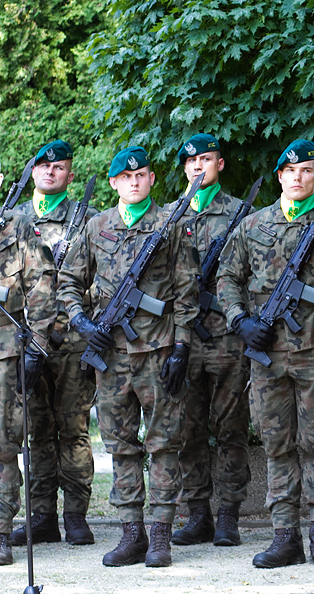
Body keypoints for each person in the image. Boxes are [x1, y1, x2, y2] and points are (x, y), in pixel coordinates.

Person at [216, 140, 314, 569]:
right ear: (280, 176)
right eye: (291, 171)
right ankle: (285, 536)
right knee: (277, 445)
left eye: (308, 171)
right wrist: (239, 320)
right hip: (267, 358)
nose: (299, 177)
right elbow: (226, 276)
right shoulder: (252, 226)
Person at [58, 146, 199, 567]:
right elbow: (68, 280)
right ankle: (131, 534)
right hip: (111, 357)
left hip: (158, 354)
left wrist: (181, 346)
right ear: (114, 182)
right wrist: (82, 324)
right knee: (121, 446)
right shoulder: (96, 226)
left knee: (163, 445)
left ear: (152, 180)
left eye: (142, 176)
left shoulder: (171, 226)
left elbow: (188, 293)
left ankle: (160, 536)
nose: (135, 182)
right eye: (126, 177)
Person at [10, 140, 97, 548]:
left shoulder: (87, 220)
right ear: (32, 173)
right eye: (43, 166)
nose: (50, 173)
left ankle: (76, 516)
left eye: (59, 167)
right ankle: (42, 516)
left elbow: (98, 279)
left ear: (70, 175)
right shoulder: (13, 220)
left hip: (72, 342)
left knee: (74, 429)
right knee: (36, 432)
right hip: (25, 342)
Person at [167, 133, 252, 548]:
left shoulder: (241, 215)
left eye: (207, 159)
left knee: (231, 429)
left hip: (227, 339)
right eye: (192, 161)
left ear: (220, 163)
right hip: (180, 340)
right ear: (184, 168)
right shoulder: (168, 216)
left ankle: (228, 516)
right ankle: (197, 513)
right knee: (186, 430)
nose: (199, 166)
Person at [0, 158, 58, 566]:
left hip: (4, 354)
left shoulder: (18, 227)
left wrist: (36, 346)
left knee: (3, 447)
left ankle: (0, 531)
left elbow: (42, 284)